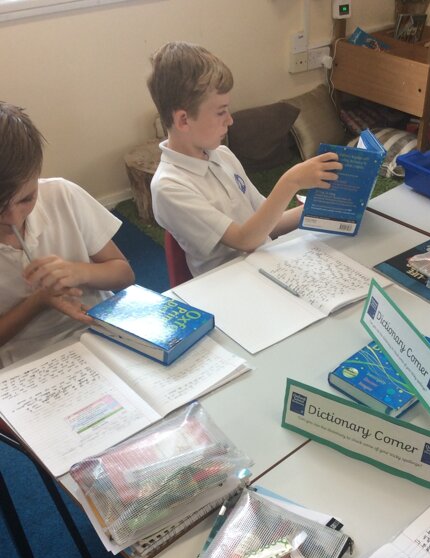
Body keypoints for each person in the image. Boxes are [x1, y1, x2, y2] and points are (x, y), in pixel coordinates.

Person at [147, 41, 342, 277]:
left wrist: (324, 210)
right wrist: (291, 181)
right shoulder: (169, 187)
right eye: (221, 112)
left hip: (267, 268)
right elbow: (245, 240)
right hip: (231, 285)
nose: (230, 120)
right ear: (183, 120)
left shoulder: (223, 156)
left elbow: (268, 223)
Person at [0, 102, 135, 368]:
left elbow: (124, 275)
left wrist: (80, 272)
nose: (14, 218)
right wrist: (39, 301)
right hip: (29, 360)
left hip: (104, 333)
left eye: (27, 199)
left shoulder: (62, 195)